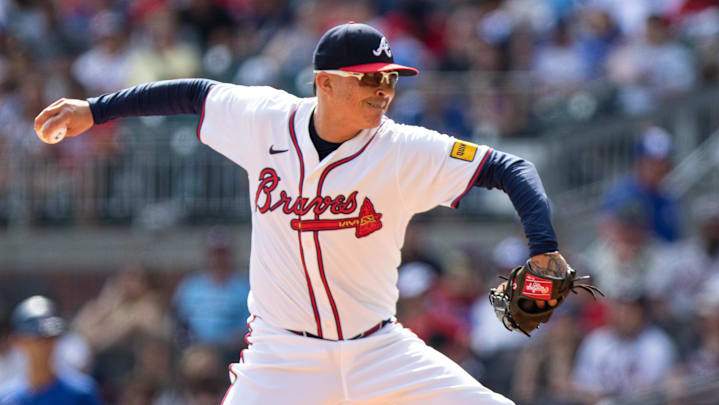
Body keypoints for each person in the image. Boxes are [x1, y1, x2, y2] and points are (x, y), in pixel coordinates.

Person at [35, 22, 572, 405]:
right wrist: (95, 111)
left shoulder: (404, 149)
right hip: (281, 358)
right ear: (326, 82)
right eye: (369, 78)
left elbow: (510, 167)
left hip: (378, 350)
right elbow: (192, 94)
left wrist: (543, 247)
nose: (384, 91)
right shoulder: (265, 120)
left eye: (390, 79)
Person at [0, 296, 102, 405]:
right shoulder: (7, 399)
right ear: (17, 340)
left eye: (51, 337)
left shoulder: (81, 393)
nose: (46, 345)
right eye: (38, 338)